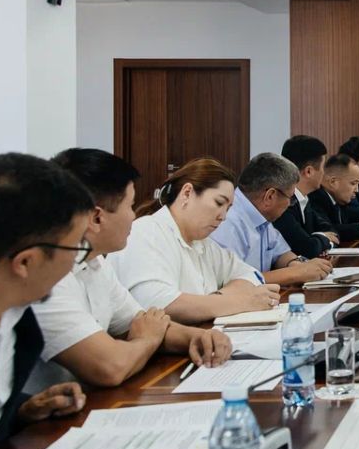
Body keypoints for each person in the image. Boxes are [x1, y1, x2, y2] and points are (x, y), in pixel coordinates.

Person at [31, 148, 234, 390]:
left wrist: (198, 338)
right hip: (58, 412)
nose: (133, 216)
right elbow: (110, 367)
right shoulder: (48, 277)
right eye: (130, 206)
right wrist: (147, 340)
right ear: (96, 218)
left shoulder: (95, 263)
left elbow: (142, 322)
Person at [0, 153, 94, 449]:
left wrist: (21, 409)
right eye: (77, 247)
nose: (78, 260)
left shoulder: (18, 318)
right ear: (26, 262)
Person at [112, 158, 281, 324]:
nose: (223, 217)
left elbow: (252, 275)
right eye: (219, 203)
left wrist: (219, 298)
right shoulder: (146, 232)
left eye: (228, 208)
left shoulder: (204, 244)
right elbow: (158, 305)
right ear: (187, 193)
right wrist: (241, 301)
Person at [212, 152, 334, 286]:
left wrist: (296, 264)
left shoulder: (262, 216)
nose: (289, 204)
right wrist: (295, 273)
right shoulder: (227, 222)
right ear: (270, 196)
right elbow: (232, 282)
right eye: (291, 198)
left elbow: (280, 253)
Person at [273, 135, 340, 259]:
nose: (324, 173)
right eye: (323, 167)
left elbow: (332, 231)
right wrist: (323, 239)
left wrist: (318, 240)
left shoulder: (305, 199)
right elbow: (308, 248)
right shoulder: (283, 203)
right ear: (309, 171)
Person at [308, 154, 359, 242]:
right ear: (333, 182)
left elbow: (358, 216)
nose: (357, 190)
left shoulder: (340, 200)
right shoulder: (315, 198)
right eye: (353, 183)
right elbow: (330, 230)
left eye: (358, 184)